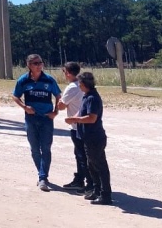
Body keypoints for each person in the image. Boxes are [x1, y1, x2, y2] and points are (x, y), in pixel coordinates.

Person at [12, 53, 61, 191]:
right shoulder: (23, 80)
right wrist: (24, 107)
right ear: (29, 65)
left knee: (46, 148)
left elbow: (58, 95)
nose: (39, 65)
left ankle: (43, 177)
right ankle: (41, 174)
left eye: (40, 62)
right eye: (35, 63)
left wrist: (56, 111)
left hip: (46, 118)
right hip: (31, 119)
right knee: (34, 148)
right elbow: (15, 96)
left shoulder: (49, 80)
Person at [66, 70, 112, 205]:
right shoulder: (87, 96)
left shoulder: (92, 98)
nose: (78, 85)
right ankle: (97, 191)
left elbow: (92, 118)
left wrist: (75, 119)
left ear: (84, 83)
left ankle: (105, 194)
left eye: (80, 83)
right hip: (87, 137)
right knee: (91, 166)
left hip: (95, 138)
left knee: (100, 166)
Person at [56, 61, 90, 193]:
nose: (64, 74)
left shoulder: (71, 87)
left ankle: (85, 183)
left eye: (64, 72)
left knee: (81, 156)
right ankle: (82, 179)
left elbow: (62, 106)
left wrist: (60, 102)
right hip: (84, 124)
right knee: (82, 155)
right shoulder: (82, 84)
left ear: (69, 73)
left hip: (76, 125)